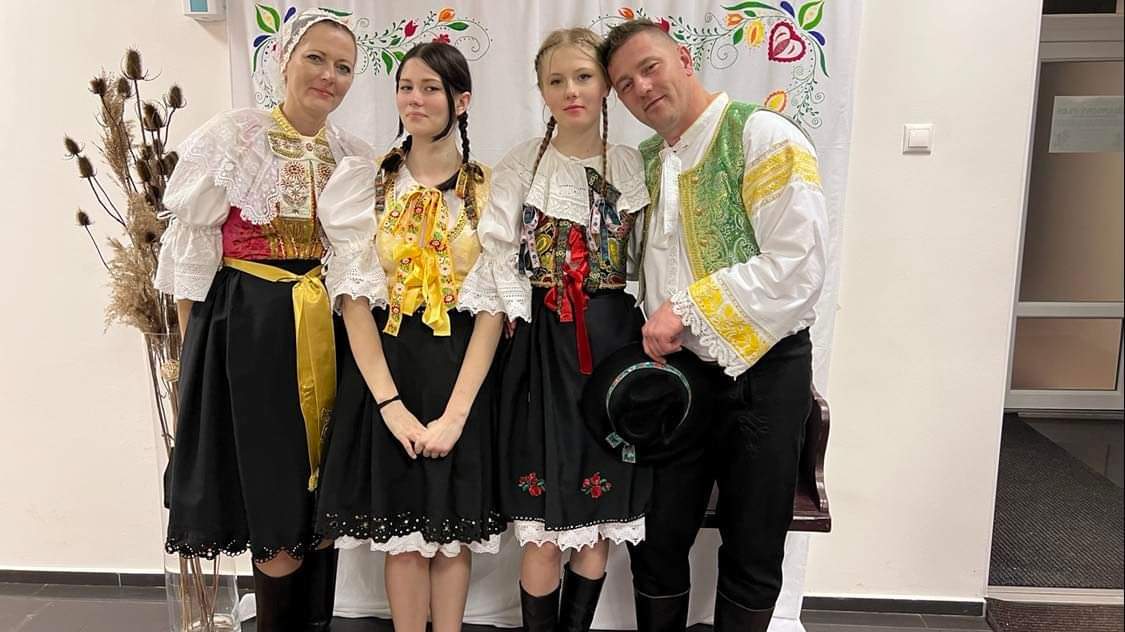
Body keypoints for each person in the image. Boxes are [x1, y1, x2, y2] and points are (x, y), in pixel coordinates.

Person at [599, 19, 829, 632]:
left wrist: (687, 308)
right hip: (676, 376)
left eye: (649, 68)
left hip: (764, 374)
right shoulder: (646, 162)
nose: (642, 88)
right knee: (655, 533)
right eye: (625, 84)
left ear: (683, 57)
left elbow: (797, 265)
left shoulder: (762, 135)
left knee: (754, 540)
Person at [155, 9, 371, 631]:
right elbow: (194, 253)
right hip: (251, 333)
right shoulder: (234, 138)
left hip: (329, 328)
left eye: (343, 67)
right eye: (316, 59)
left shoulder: (353, 154)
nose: (328, 76)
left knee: (324, 489)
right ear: (283, 61)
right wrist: (194, 359)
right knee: (272, 486)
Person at [464, 27, 653, 632]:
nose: (571, 90)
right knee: (543, 526)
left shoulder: (633, 165)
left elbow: (648, 259)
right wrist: (522, 316)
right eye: (556, 80)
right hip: (540, 345)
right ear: (541, 90)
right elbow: (498, 255)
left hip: (611, 344)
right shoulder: (523, 164)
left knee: (597, 519)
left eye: (583, 77)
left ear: (605, 85)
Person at [313, 42, 504, 632]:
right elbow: (353, 302)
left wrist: (456, 415)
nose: (415, 99)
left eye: (430, 88)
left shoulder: (490, 191)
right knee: (400, 535)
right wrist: (389, 405)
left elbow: (493, 309)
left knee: (451, 530)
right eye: (406, 87)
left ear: (461, 101)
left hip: (459, 369)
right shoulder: (368, 184)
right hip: (387, 366)